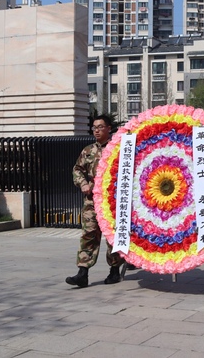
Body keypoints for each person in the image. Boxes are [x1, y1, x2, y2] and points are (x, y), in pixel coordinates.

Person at [66, 115, 125, 288]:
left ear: (109, 128)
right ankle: (82, 273)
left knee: (112, 235)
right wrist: (83, 183)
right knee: (88, 233)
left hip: (112, 201)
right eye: (94, 127)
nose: (97, 130)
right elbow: (77, 169)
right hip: (92, 200)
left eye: (100, 127)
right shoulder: (88, 150)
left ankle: (114, 270)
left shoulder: (117, 148)